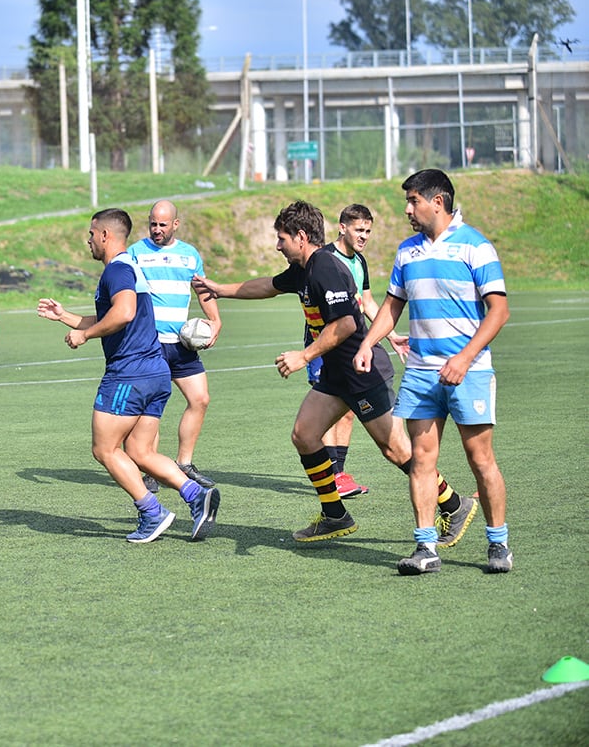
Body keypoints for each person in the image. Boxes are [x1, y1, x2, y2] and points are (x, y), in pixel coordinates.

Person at [192, 201, 474, 546]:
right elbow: (268, 285)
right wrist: (220, 289)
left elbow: (345, 324)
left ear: (300, 237)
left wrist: (304, 355)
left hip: (363, 371)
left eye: (281, 239)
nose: (278, 246)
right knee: (304, 434)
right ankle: (335, 514)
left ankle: (454, 505)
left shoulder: (325, 267)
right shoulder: (303, 267)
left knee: (398, 452)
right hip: (337, 375)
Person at [356, 170, 512, 575]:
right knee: (422, 460)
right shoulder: (407, 252)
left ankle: (499, 544)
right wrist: (367, 343)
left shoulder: (476, 247)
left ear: (437, 201)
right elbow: (392, 307)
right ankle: (426, 548)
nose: (408, 209)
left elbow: (499, 310)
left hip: (470, 371)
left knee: (481, 460)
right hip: (422, 373)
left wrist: (463, 359)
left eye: (413, 201)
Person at [38, 208, 219, 543]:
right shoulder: (132, 268)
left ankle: (153, 512)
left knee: (105, 449)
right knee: (140, 452)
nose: (88, 240)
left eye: (91, 233)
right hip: (155, 372)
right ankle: (197, 496)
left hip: (128, 374)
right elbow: (116, 316)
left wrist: (84, 336)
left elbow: (124, 313)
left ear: (106, 235)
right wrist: (65, 317)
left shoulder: (118, 269)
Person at [302, 204, 409, 499]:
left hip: (353, 347)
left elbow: (368, 303)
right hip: (326, 345)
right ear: (342, 227)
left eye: (368, 231)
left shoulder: (359, 261)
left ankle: (339, 473)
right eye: (359, 230)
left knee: (346, 410)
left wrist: (392, 335)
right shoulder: (323, 260)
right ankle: (333, 474)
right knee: (325, 407)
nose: (364, 236)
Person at [127, 199, 221, 490]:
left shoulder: (189, 255)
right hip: (149, 344)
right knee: (150, 407)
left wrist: (215, 321)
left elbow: (202, 290)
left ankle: (183, 464)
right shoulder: (136, 253)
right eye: (153, 223)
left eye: (162, 224)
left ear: (175, 224)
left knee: (200, 399)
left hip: (182, 345)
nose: (156, 229)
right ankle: (151, 468)